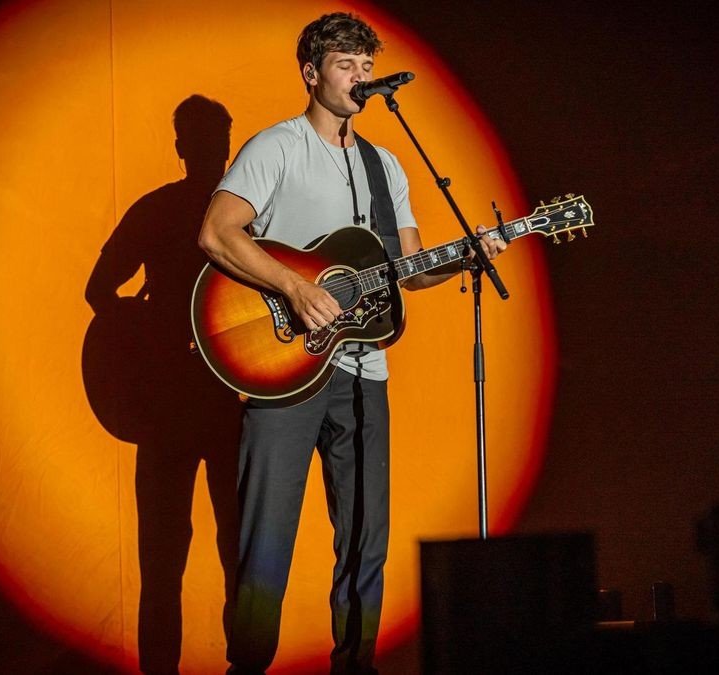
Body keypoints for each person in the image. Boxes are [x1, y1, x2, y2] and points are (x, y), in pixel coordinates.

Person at [196, 13, 507, 674]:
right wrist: (295, 288)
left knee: (368, 542)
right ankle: (246, 665)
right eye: (347, 65)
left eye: (367, 66)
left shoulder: (383, 166)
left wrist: (470, 254)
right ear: (311, 73)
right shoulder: (275, 147)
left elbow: (413, 268)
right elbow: (218, 233)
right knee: (264, 541)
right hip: (283, 370)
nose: (361, 78)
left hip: (365, 376)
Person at [85, 95, 240, 675]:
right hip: (216, 404)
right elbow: (98, 292)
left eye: (214, 145)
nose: (214, 156)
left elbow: (99, 292)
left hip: (179, 406)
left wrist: (140, 331)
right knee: (230, 555)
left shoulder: (157, 209)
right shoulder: (250, 217)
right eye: (210, 145)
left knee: (169, 561)